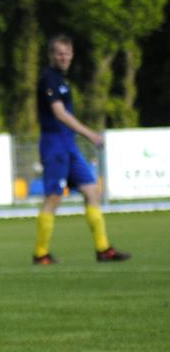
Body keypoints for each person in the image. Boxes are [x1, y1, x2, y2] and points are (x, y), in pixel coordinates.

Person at [34, 34, 129, 265]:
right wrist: (90, 134)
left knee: (92, 191)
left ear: (72, 55)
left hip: (69, 146)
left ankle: (103, 249)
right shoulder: (49, 79)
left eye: (67, 53)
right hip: (55, 145)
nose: (63, 57)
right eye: (59, 53)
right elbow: (59, 113)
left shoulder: (63, 80)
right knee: (54, 198)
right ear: (51, 55)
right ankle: (40, 253)